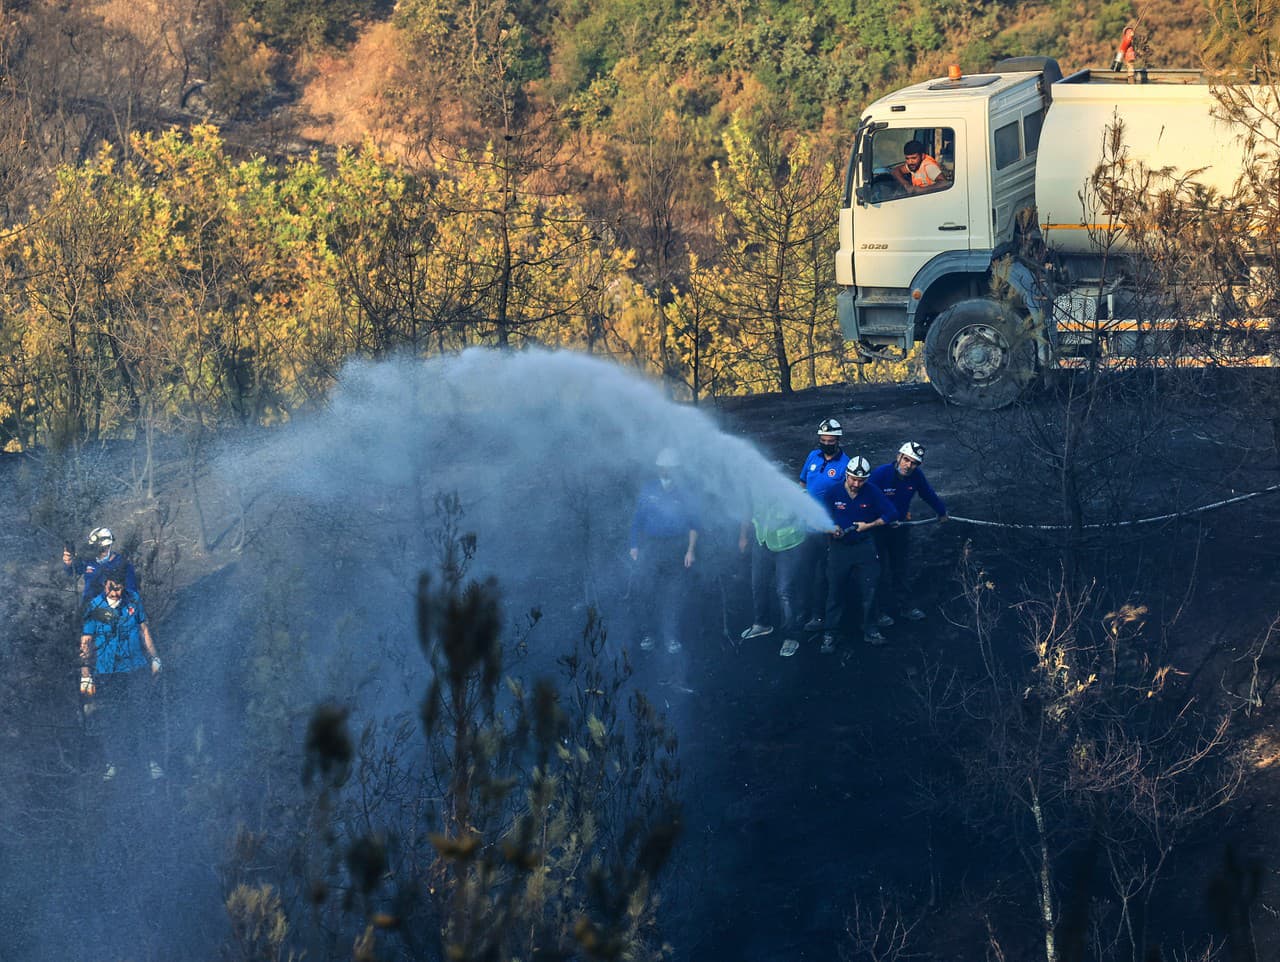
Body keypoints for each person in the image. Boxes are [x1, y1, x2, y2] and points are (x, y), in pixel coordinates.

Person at [80, 572, 164, 781]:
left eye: (119, 588)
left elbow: (144, 630)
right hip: (108, 671)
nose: (116, 593)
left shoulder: (133, 600)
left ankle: (149, 760)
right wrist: (85, 673)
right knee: (112, 718)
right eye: (111, 588)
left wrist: (154, 657)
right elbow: (86, 641)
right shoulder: (95, 607)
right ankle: (113, 761)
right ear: (103, 585)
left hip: (135, 668)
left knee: (142, 714)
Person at [819, 457, 898, 654]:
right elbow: (821, 516)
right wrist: (830, 528)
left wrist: (869, 525)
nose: (856, 484)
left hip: (865, 547)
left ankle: (870, 630)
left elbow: (891, 512)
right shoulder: (833, 492)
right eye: (853, 479)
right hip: (839, 548)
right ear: (846, 475)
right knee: (835, 591)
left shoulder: (872, 491)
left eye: (861, 480)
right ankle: (830, 633)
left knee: (870, 589)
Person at [869, 441, 948, 628]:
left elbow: (927, 493)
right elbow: (866, 498)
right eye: (906, 460)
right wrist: (882, 518)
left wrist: (942, 511)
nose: (908, 465)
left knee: (901, 568)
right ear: (898, 457)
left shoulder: (916, 476)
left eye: (914, 463)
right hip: (877, 530)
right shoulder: (881, 474)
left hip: (900, 528)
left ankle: (906, 607)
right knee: (877, 570)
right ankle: (877, 612)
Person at [629, 448, 699, 654]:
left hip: (676, 547)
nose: (665, 471)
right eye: (662, 468)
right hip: (652, 546)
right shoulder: (649, 489)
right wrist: (634, 545)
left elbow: (694, 524)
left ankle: (671, 637)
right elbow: (637, 520)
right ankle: (648, 634)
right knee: (648, 592)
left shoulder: (685, 492)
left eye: (669, 468)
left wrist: (690, 550)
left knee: (673, 595)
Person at [738, 492, 807, 658]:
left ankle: (791, 636)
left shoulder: (794, 495)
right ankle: (762, 624)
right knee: (758, 584)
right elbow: (748, 513)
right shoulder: (756, 493)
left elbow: (806, 518)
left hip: (787, 546)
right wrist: (743, 536)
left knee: (784, 591)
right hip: (762, 543)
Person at [797, 419, 850, 634]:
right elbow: (802, 483)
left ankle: (820, 617)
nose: (826, 443)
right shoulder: (812, 456)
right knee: (804, 571)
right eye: (823, 440)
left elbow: (849, 497)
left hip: (828, 529)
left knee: (822, 575)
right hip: (807, 526)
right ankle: (803, 611)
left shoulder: (845, 464)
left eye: (830, 440)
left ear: (838, 440)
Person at [63, 526, 138, 606]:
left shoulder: (123, 565)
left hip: (114, 610)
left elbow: (132, 593)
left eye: (106, 547)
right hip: (89, 607)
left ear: (109, 546)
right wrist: (69, 562)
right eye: (100, 548)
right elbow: (71, 572)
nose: (103, 551)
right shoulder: (88, 562)